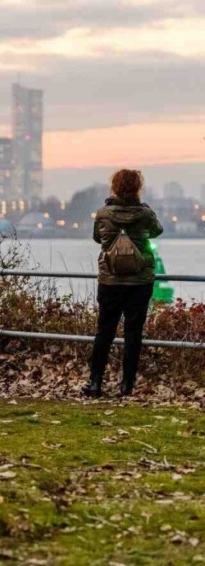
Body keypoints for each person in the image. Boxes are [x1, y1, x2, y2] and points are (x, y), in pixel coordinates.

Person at [82, 169, 163, 398]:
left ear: (114, 187)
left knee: (104, 331)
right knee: (133, 333)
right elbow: (157, 231)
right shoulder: (145, 214)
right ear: (138, 188)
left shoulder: (103, 214)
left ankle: (95, 382)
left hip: (110, 280)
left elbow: (97, 238)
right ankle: (127, 385)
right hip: (139, 281)